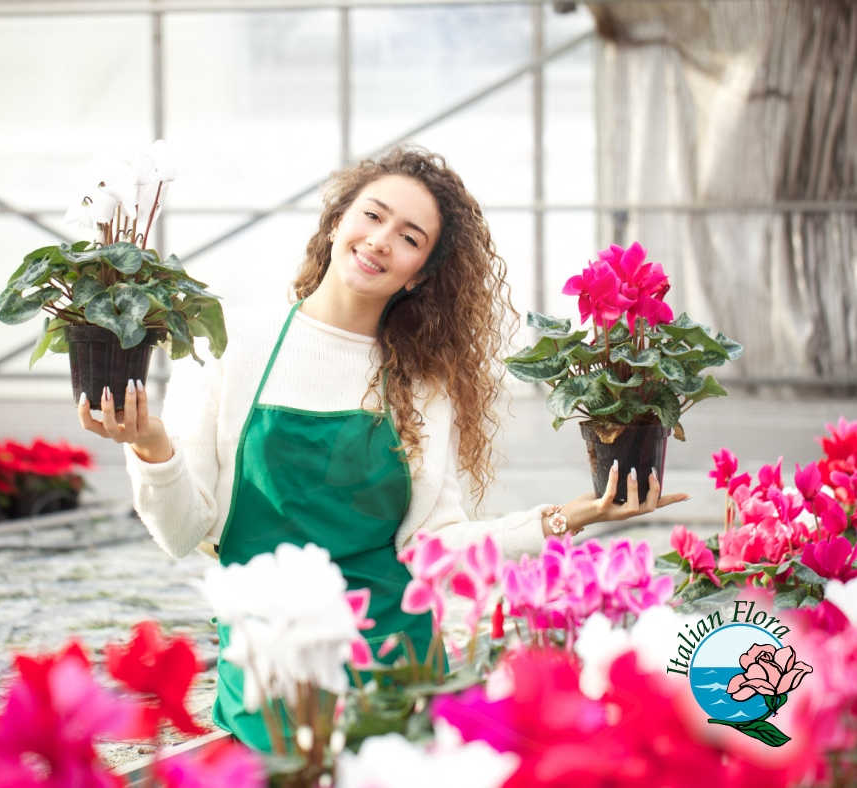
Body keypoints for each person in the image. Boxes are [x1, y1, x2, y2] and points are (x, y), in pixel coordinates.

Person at [77, 146, 687, 750]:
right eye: (372, 215)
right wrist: (153, 447)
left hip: (395, 664)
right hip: (269, 664)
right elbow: (185, 533)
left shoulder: (424, 384)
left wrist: (570, 516)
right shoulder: (232, 341)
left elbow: (435, 547)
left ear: (418, 272)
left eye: (409, 236)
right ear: (339, 219)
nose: (380, 240)